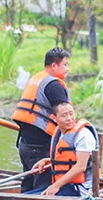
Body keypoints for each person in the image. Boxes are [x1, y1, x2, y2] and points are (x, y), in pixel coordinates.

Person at [12, 47, 71, 192]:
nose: (68, 69)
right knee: (42, 188)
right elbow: (64, 116)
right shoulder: (54, 85)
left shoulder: (37, 78)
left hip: (25, 144)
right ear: (54, 65)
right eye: (65, 64)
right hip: (39, 148)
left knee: (28, 184)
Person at [30, 102, 97, 197]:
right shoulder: (60, 133)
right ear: (54, 118)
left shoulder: (83, 135)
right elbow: (67, 160)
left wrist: (55, 186)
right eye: (64, 115)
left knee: (32, 198)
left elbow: (81, 166)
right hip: (66, 185)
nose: (69, 118)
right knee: (28, 194)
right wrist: (47, 161)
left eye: (71, 113)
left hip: (80, 190)